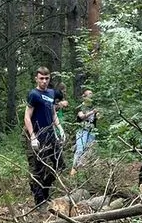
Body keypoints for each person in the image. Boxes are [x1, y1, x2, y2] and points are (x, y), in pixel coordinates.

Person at [24, 67, 65, 207]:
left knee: (59, 165)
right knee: (37, 169)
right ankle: (39, 201)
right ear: (36, 78)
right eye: (41, 78)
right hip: (36, 135)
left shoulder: (52, 93)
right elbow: (27, 117)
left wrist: (59, 128)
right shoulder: (33, 94)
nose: (44, 81)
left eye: (47, 78)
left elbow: (53, 113)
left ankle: (46, 193)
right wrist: (33, 136)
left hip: (50, 134)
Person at [71, 88, 98, 172]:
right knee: (80, 149)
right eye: (89, 94)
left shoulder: (93, 107)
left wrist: (98, 114)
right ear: (84, 97)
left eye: (92, 94)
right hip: (82, 130)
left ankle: (85, 169)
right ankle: (74, 169)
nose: (91, 95)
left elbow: (97, 118)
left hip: (92, 131)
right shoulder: (80, 107)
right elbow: (81, 116)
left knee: (89, 149)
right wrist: (92, 112)